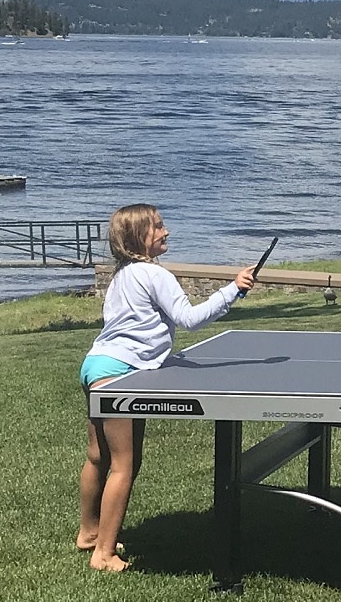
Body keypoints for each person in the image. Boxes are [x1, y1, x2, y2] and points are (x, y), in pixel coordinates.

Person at [77, 204, 257, 571]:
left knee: (98, 457)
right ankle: (104, 554)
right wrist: (232, 290)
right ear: (137, 237)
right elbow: (188, 319)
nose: (166, 231)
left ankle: (89, 533)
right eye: (157, 227)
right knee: (125, 465)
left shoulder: (121, 276)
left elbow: (133, 328)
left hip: (96, 365)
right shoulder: (155, 275)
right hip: (120, 375)